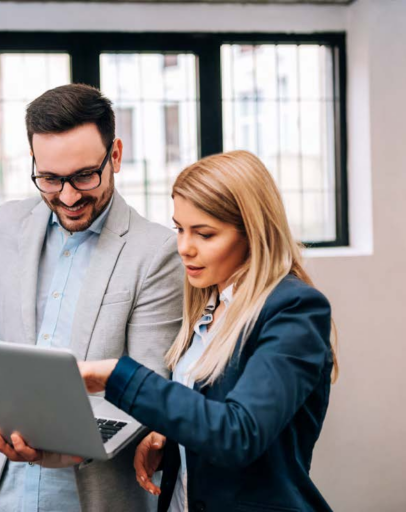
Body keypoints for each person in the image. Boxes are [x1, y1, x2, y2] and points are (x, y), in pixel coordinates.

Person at [0, 83, 185, 512]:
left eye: (83, 177)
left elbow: (151, 382)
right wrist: (8, 396)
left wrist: (60, 440)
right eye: (50, 179)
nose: (69, 197)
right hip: (1, 487)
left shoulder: (156, 251)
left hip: (95, 492)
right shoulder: (5, 225)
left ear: (115, 156)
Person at [79, 150, 339, 512]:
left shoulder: (294, 311)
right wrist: (173, 441)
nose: (184, 248)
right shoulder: (207, 307)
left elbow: (239, 434)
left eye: (204, 233)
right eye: (179, 229)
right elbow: (208, 412)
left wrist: (116, 376)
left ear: (252, 232)